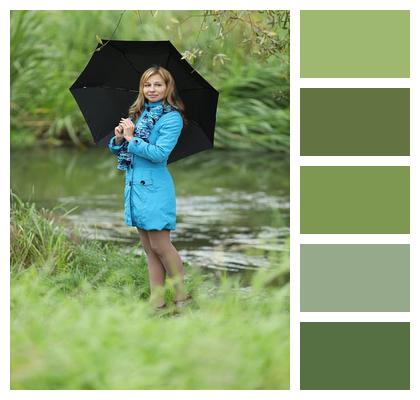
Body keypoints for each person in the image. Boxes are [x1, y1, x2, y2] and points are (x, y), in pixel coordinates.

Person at [108, 66, 190, 310]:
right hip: (135, 186)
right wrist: (121, 138)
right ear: (141, 88)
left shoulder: (171, 117)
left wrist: (133, 139)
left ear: (168, 88)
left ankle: (182, 297)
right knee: (149, 249)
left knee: (161, 245)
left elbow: (159, 154)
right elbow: (123, 150)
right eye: (147, 85)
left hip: (155, 188)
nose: (152, 90)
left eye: (158, 85)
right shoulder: (138, 113)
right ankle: (157, 302)